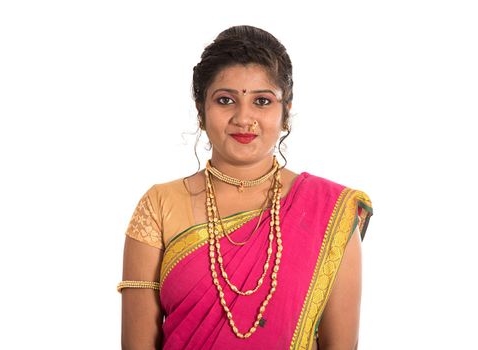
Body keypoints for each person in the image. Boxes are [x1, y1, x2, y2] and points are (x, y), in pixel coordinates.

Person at [118, 25, 373, 350]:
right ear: (201, 109)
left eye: (262, 101)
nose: (244, 117)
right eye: (225, 100)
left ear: (286, 112)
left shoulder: (331, 210)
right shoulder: (158, 206)